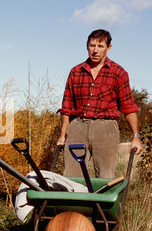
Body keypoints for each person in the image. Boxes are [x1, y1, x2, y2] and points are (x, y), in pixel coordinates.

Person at [57, 29, 143, 179]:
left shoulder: (118, 73)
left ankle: (101, 203)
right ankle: (74, 202)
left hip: (106, 128)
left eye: (100, 46)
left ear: (108, 48)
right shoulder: (76, 72)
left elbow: (128, 107)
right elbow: (67, 107)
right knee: (71, 178)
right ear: (87, 46)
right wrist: (63, 134)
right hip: (78, 126)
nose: (95, 50)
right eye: (92, 45)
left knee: (105, 177)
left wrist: (135, 136)